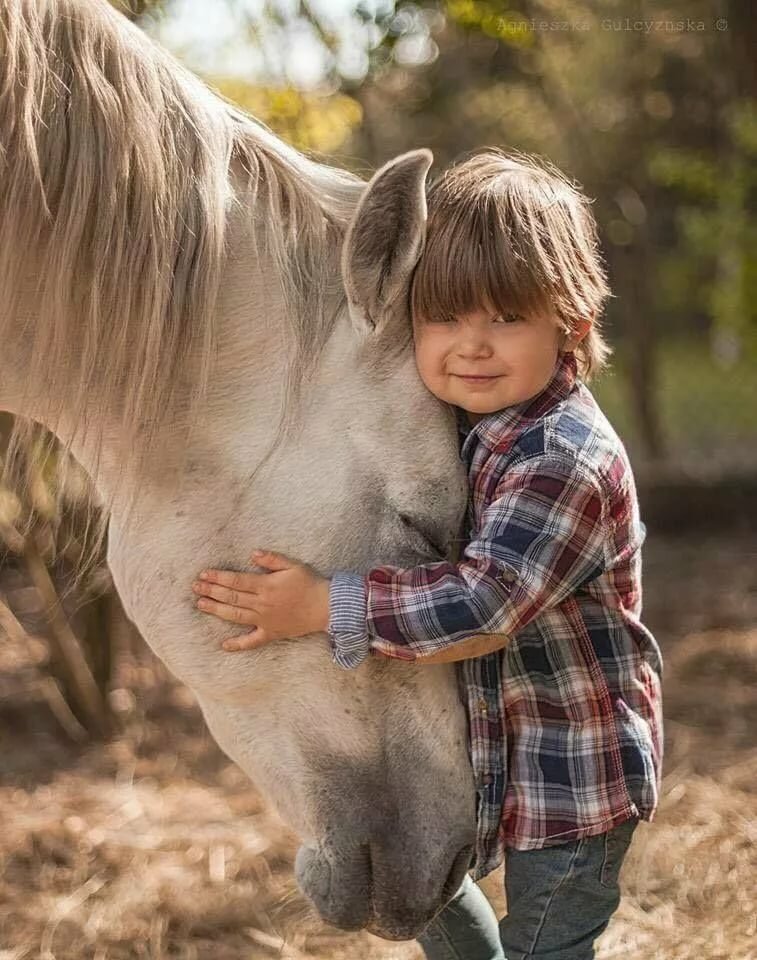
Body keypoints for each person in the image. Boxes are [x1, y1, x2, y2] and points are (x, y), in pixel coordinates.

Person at [191, 148, 664, 960]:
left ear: (571, 327)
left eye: (505, 318)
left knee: (546, 946)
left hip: (570, 773)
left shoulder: (561, 459)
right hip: (487, 750)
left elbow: (482, 610)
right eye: (443, 318)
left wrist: (323, 603)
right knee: (429, 893)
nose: (470, 346)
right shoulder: (465, 425)